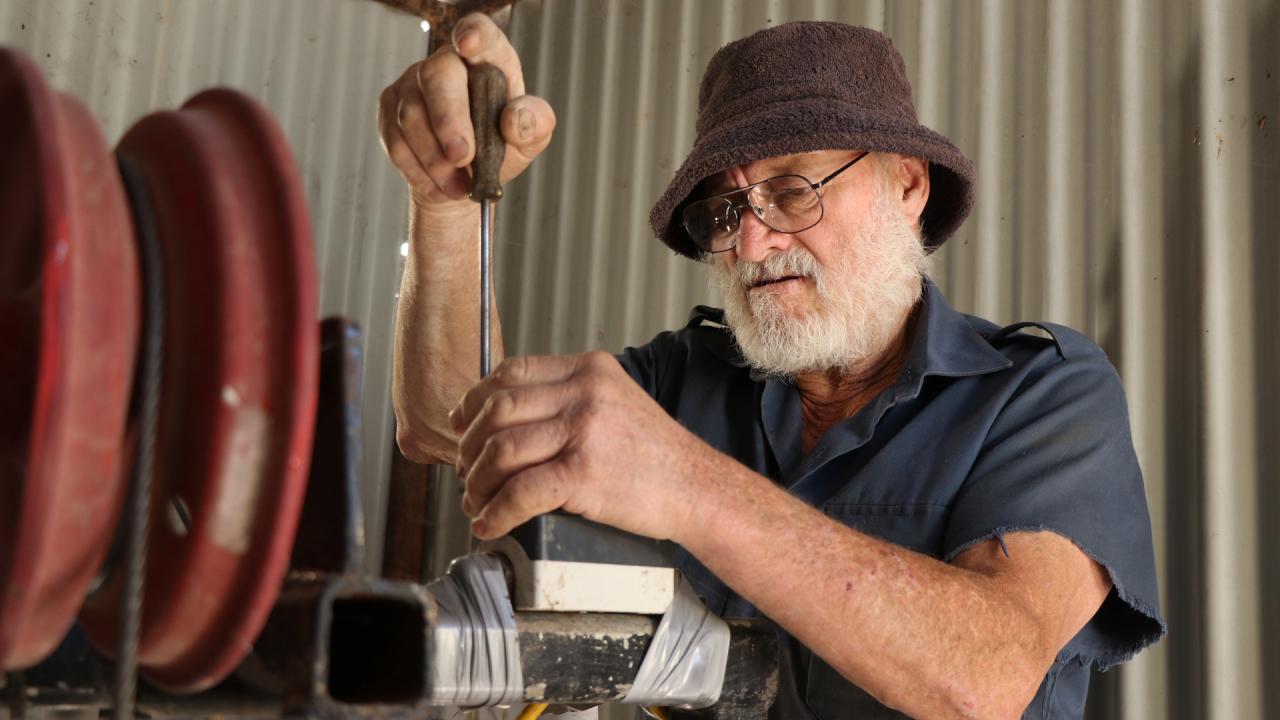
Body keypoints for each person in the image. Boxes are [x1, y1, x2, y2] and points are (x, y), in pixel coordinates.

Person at [378, 15, 1165, 719]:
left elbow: (985, 680)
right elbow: (453, 420)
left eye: (792, 190)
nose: (751, 243)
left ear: (907, 184)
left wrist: (687, 485)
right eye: (725, 210)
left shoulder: (1039, 391)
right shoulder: (680, 380)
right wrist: (445, 203)